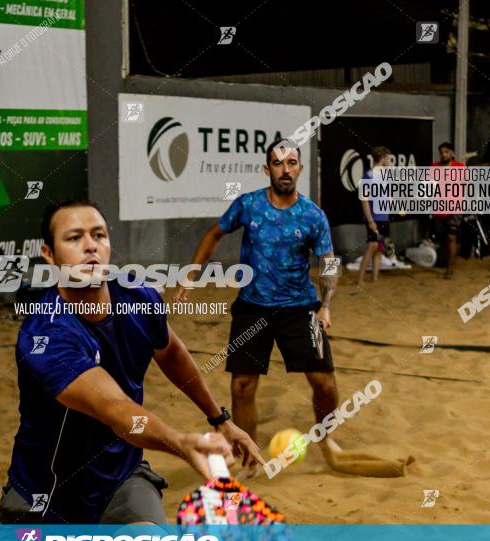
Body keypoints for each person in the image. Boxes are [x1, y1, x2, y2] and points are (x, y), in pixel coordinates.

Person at [0, 199, 263, 541]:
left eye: (98, 235)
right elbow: (115, 410)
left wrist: (220, 419)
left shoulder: (138, 296)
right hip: (46, 494)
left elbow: (172, 353)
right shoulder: (45, 336)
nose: (91, 246)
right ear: (49, 254)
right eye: (74, 238)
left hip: (119, 475)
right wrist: (182, 442)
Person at [176, 139, 408, 477]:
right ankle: (248, 456)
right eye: (278, 163)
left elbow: (329, 263)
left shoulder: (313, 215)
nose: (285, 169)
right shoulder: (248, 205)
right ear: (266, 168)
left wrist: (326, 305)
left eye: (292, 163)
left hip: (300, 308)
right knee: (242, 386)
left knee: (325, 384)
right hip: (252, 308)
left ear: (299, 168)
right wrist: (191, 274)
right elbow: (214, 234)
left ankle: (328, 440)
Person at [430, 141, 466, 279]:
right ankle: (448, 261)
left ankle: (449, 270)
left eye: (446, 152)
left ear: (451, 153)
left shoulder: (460, 167)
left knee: (451, 236)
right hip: (439, 207)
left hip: (455, 207)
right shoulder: (434, 167)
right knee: (444, 238)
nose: (443, 154)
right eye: (441, 152)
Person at [358, 146, 392, 285]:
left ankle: (375, 278)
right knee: (372, 246)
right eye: (388, 157)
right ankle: (360, 279)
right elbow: (364, 199)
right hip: (374, 218)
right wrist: (370, 220)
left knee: (379, 248)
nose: (389, 160)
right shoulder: (368, 175)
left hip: (384, 217)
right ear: (382, 157)